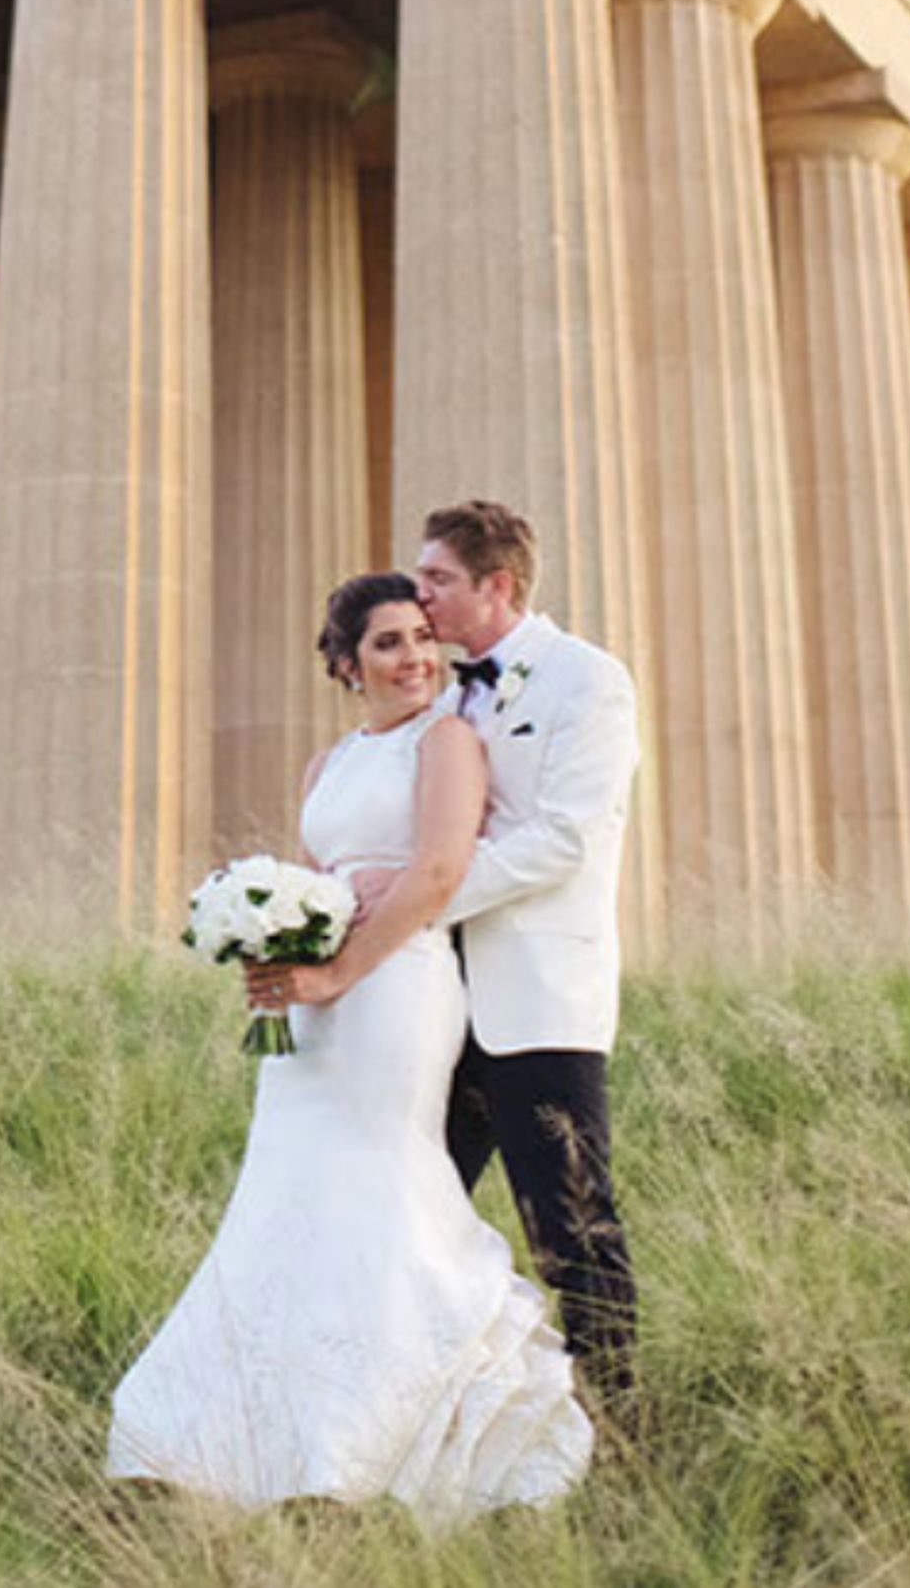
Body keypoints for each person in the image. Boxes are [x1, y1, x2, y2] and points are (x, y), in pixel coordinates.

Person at [106, 572, 592, 1526]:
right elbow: (320, 879)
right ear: (344, 663)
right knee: (289, 1186)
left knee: (378, 1171)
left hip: (398, 985)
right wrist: (275, 948)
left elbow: (439, 870)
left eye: (421, 637)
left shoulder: (446, 741)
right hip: (317, 1001)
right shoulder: (324, 766)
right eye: (387, 642)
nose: (414, 657)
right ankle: (242, 1435)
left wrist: (340, 972)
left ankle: (369, 1433)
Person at [383, 499, 643, 1403]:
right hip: (436, 1002)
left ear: (496, 586)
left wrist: (425, 893)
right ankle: (426, 1406)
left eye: (438, 578)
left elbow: (566, 837)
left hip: (540, 998)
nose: (420, 592)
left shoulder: (588, 680)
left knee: (569, 1224)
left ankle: (615, 1418)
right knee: (413, 1210)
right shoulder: (446, 696)